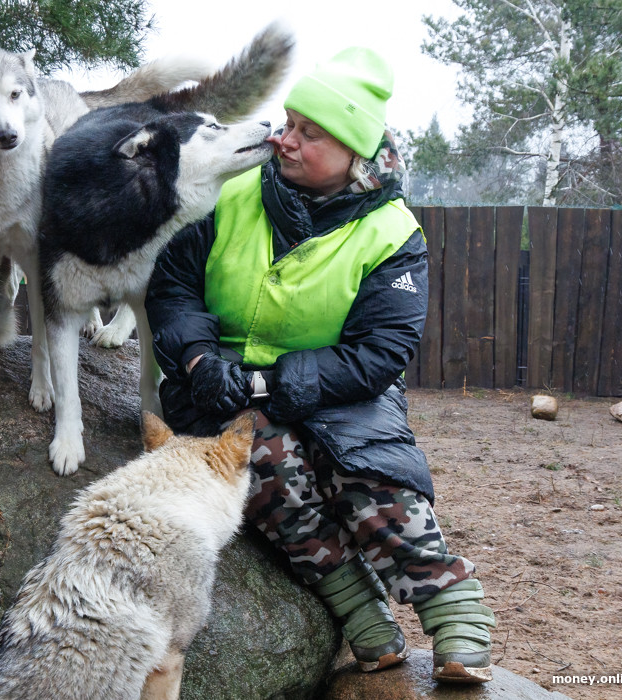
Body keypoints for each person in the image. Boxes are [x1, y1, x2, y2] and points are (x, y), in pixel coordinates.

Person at [145, 47, 496, 683]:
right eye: (289, 122)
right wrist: (197, 357)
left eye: (310, 133)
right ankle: (360, 612)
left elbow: (381, 352)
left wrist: (283, 381)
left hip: (343, 384)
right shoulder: (231, 192)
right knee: (263, 464)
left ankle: (454, 613)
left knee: (369, 472)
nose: (286, 139)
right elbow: (173, 287)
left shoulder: (393, 232)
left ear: (354, 152)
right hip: (219, 379)